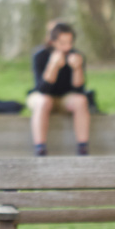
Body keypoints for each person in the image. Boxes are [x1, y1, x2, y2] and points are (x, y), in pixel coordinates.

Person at [27, 22, 90, 156]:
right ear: (53, 42)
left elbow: (79, 89)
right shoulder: (40, 55)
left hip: (64, 99)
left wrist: (77, 68)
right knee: (44, 101)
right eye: (62, 43)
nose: (67, 47)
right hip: (43, 97)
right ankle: (40, 148)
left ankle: (83, 148)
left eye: (70, 43)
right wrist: (53, 66)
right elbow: (42, 89)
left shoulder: (77, 56)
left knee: (81, 101)